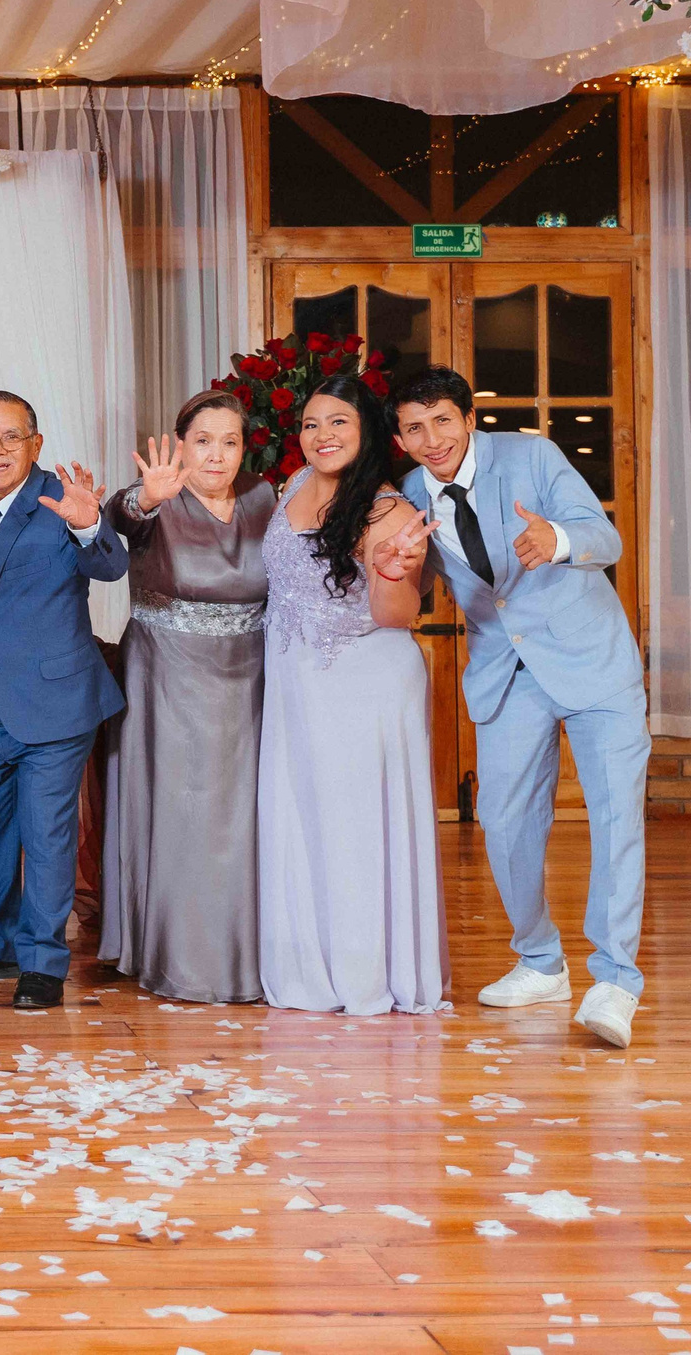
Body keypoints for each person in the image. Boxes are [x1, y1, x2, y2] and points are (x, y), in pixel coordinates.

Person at [392, 366, 650, 1049]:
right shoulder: (409, 495)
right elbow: (416, 588)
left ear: (468, 418)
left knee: (615, 816)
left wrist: (558, 540)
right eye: (415, 428)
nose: (432, 438)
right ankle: (540, 960)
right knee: (504, 822)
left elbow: (604, 537)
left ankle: (615, 979)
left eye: (442, 420)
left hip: (592, 659)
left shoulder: (532, 456)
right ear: (401, 438)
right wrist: (398, 565)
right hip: (507, 671)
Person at [0, 392, 125, 1010]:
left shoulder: (61, 499)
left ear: (35, 444)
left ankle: (42, 961)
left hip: (53, 702)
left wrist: (89, 526)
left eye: (11, 437)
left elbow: (111, 565)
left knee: (45, 837)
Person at [256, 375, 447, 1016]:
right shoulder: (293, 485)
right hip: (296, 683)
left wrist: (389, 572)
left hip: (364, 684)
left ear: (366, 431)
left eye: (338, 421)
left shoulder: (387, 509)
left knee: (354, 825)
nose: (322, 435)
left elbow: (397, 615)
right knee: (303, 818)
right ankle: (305, 964)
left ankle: (361, 970)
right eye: (311, 424)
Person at [99, 388, 278, 1005]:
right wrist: (146, 498)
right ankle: (174, 953)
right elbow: (116, 520)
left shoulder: (264, 496)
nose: (216, 455)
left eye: (230, 442)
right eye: (203, 441)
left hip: (250, 680)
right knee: (181, 813)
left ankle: (246, 955)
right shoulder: (157, 493)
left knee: (243, 817)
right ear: (180, 445)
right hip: (166, 679)